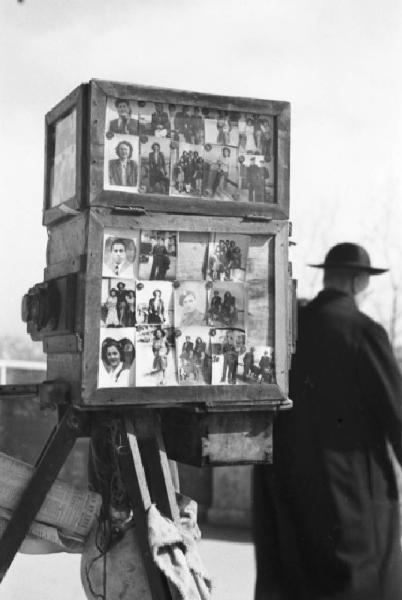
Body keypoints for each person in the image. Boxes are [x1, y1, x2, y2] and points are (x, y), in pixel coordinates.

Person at [253, 242, 402, 600]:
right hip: (350, 498)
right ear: (358, 282)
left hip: (286, 489)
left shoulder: (286, 330)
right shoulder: (364, 333)